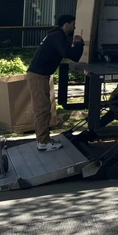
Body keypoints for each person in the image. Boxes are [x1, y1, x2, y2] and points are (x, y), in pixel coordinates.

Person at [26, 14, 84, 152]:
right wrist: (79, 44)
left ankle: (45, 139)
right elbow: (66, 53)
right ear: (67, 24)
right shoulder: (57, 36)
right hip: (38, 75)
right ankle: (43, 142)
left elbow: (74, 56)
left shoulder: (56, 35)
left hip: (41, 75)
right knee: (42, 109)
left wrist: (78, 45)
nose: (75, 26)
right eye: (73, 23)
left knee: (45, 109)